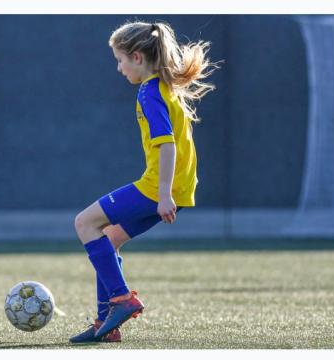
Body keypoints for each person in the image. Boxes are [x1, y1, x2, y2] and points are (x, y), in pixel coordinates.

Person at [69, 21, 218, 343]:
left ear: (137, 57)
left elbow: (167, 144)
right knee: (107, 240)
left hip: (158, 187)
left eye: (120, 59)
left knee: (84, 222)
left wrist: (163, 194)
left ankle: (121, 300)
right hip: (174, 187)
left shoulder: (150, 91)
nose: (119, 68)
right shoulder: (164, 88)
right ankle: (105, 325)